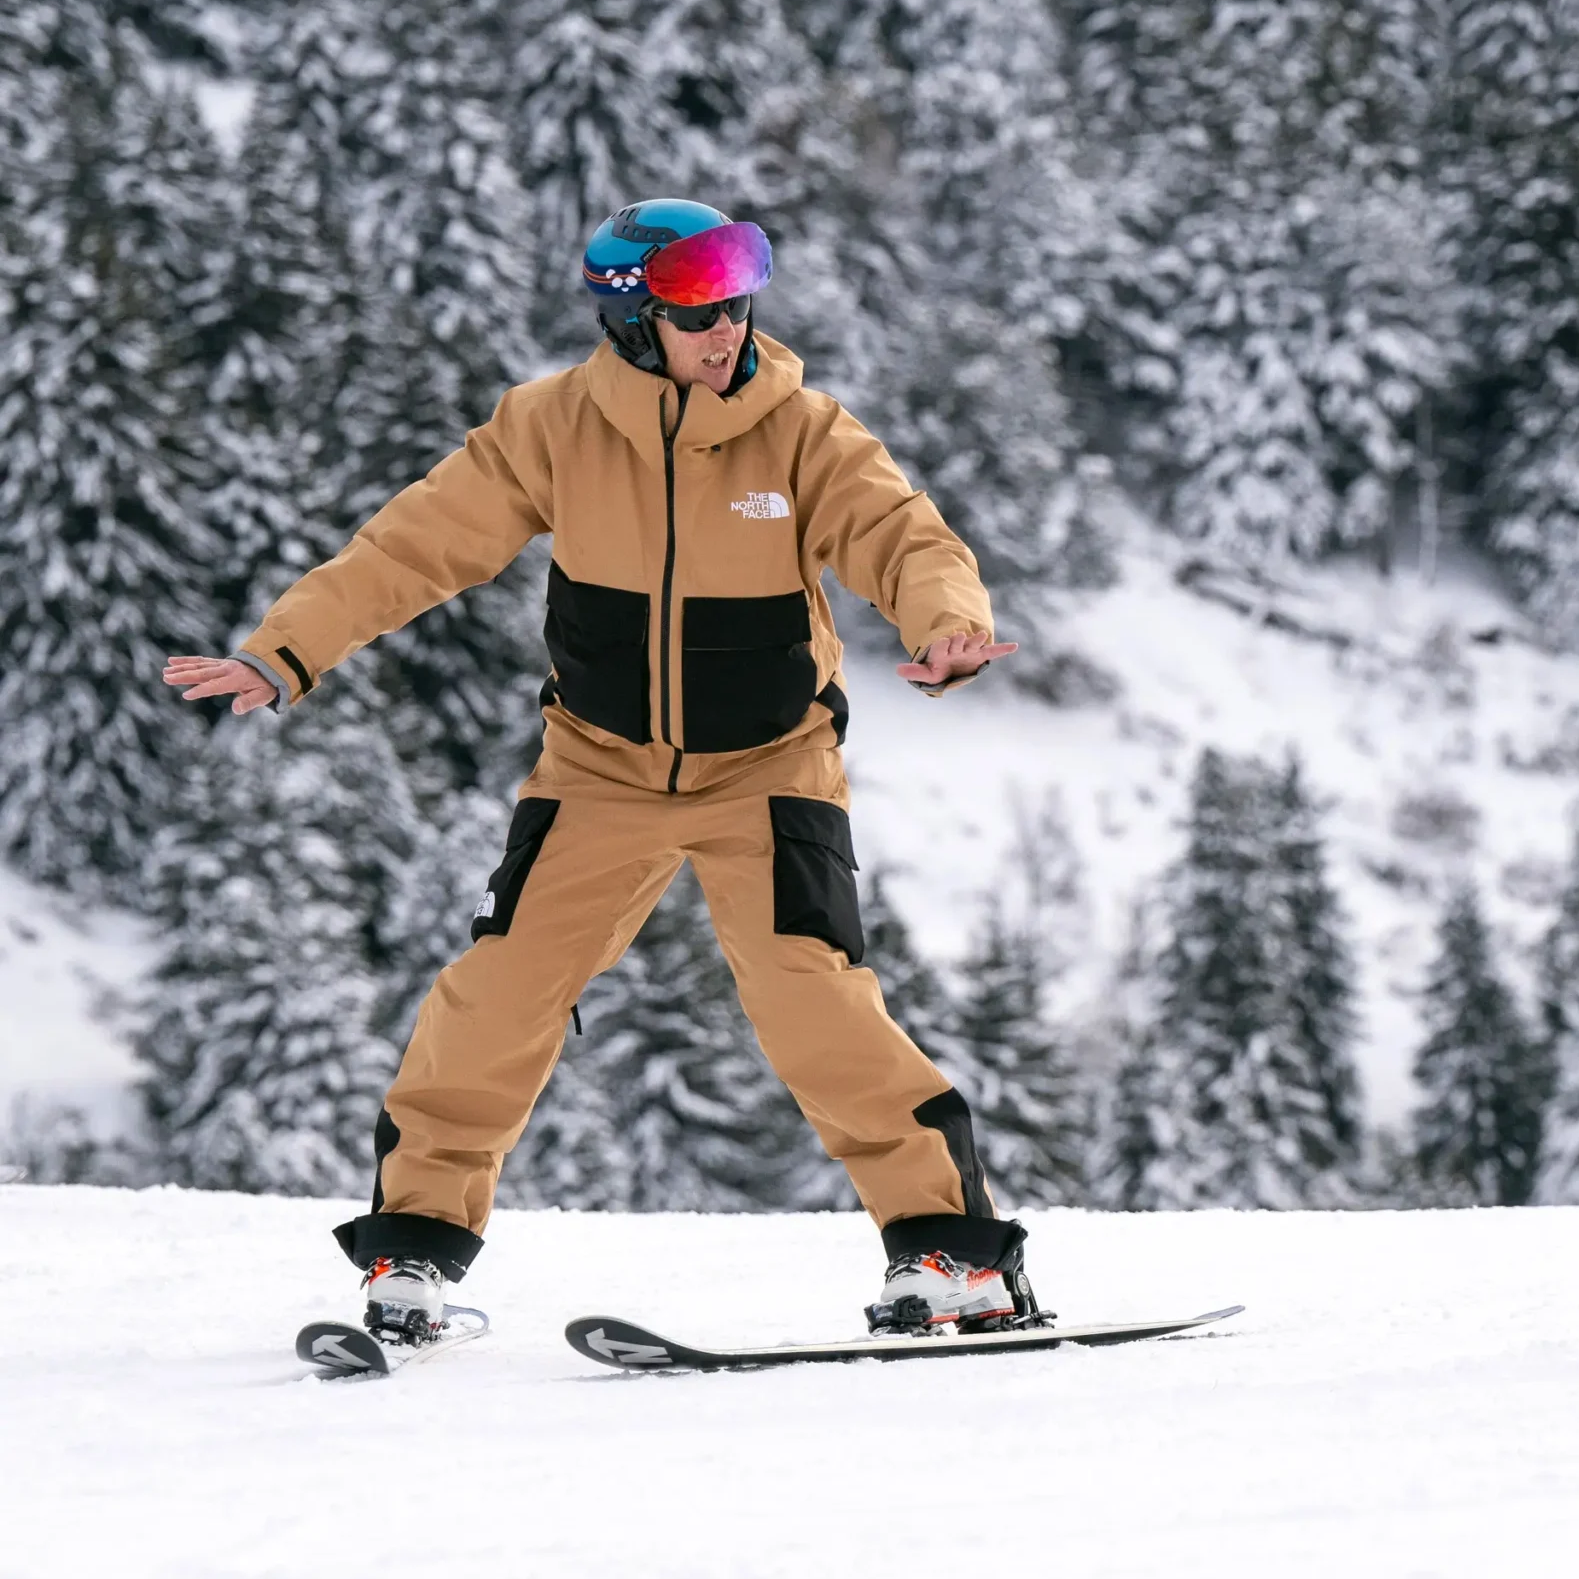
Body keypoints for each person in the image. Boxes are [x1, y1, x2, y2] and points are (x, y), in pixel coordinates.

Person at [164, 199, 1032, 1345]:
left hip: (768, 769)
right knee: (498, 991)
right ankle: (412, 1255)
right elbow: (412, 545)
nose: (725, 330)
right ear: (632, 322)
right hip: (599, 770)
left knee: (810, 996)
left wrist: (949, 620)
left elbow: (902, 534)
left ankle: (953, 1258)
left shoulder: (805, 431)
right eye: (693, 313)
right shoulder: (552, 428)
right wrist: (284, 653)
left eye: (734, 302)